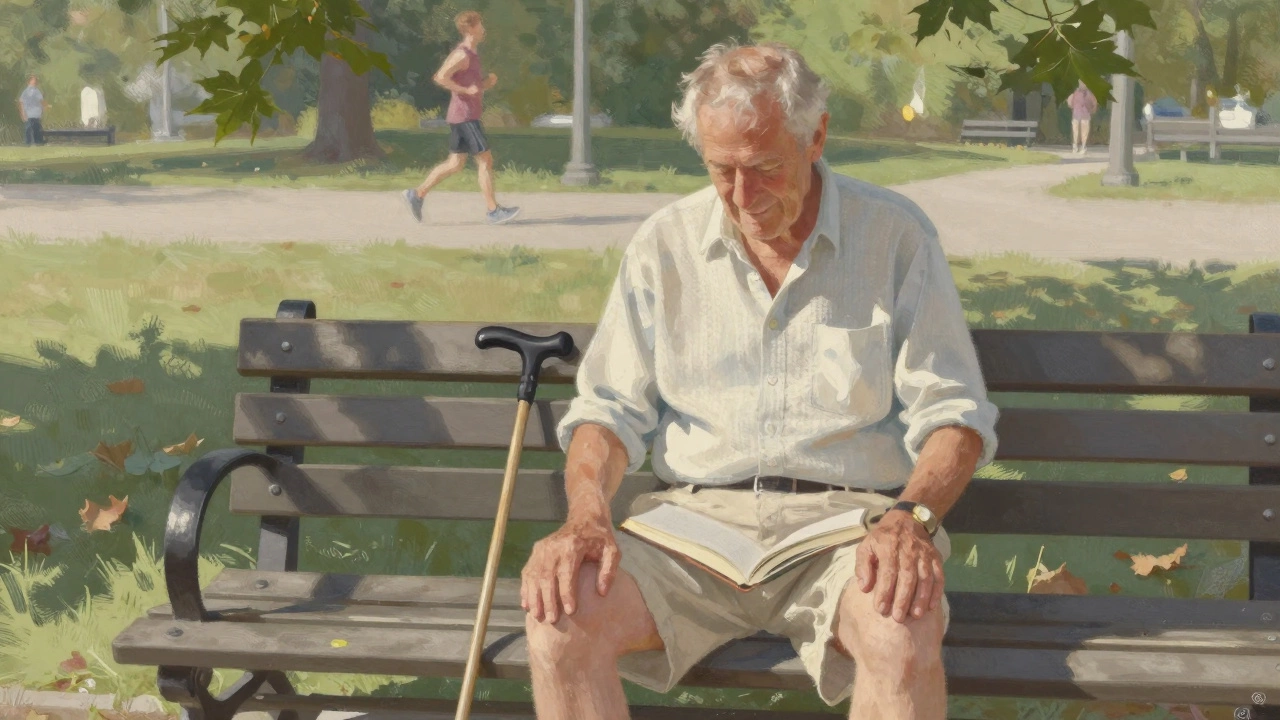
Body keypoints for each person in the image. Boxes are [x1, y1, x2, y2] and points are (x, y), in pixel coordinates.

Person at [521, 42, 998, 720]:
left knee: (899, 631)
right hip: (690, 531)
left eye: (766, 168)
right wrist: (587, 515)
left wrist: (910, 520)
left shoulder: (895, 237)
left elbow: (954, 415)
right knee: (562, 621)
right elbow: (608, 411)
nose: (743, 197)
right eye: (723, 170)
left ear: (816, 137)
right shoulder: (664, 243)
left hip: (846, 532)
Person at [403, 11, 519, 225]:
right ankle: (493, 211)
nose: (483, 29)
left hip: (465, 115)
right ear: (470, 29)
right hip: (465, 116)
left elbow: (472, 87)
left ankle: (417, 194)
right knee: (485, 160)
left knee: (455, 163)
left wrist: (485, 84)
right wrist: (465, 90)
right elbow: (440, 77)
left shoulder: (473, 54)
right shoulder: (461, 54)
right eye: (480, 25)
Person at [1067, 80, 1098, 156]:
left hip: (1085, 115)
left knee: (1084, 132)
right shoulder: (1075, 93)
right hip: (1076, 115)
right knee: (1075, 131)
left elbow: (1094, 103)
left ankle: (1083, 146)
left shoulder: (1089, 94)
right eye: (1081, 83)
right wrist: (1073, 107)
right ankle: (1075, 146)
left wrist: (1091, 111)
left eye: (1084, 83)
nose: (1083, 85)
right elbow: (1070, 102)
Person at [18, 76, 47, 147]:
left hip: (36, 113)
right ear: (29, 82)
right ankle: (28, 142)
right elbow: (21, 102)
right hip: (28, 113)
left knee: (37, 128)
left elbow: (41, 101)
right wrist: (22, 113)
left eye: (35, 81)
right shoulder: (26, 92)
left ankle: (38, 142)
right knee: (28, 128)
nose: (35, 82)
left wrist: (43, 108)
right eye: (33, 81)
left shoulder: (37, 91)